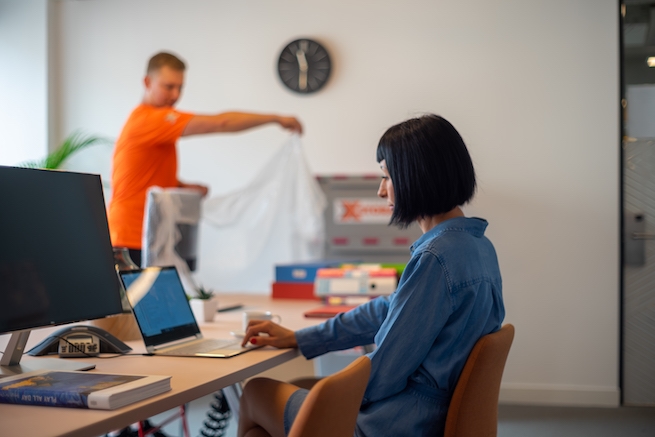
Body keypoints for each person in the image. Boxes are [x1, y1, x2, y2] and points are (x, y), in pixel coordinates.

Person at [237, 114, 505, 437]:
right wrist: (301, 338)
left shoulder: (435, 258)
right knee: (273, 419)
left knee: (254, 393)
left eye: (386, 177)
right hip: (432, 418)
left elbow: (383, 375)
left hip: (396, 425)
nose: (381, 191)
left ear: (414, 178)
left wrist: (334, 396)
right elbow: (388, 309)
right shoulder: (477, 247)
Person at [107, 52, 302, 265]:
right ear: (147, 82)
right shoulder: (149, 120)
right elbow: (222, 123)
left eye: (180, 88)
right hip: (131, 236)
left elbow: (143, 179)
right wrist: (275, 118)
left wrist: (182, 186)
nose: (175, 95)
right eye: (168, 87)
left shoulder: (149, 123)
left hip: (148, 233)